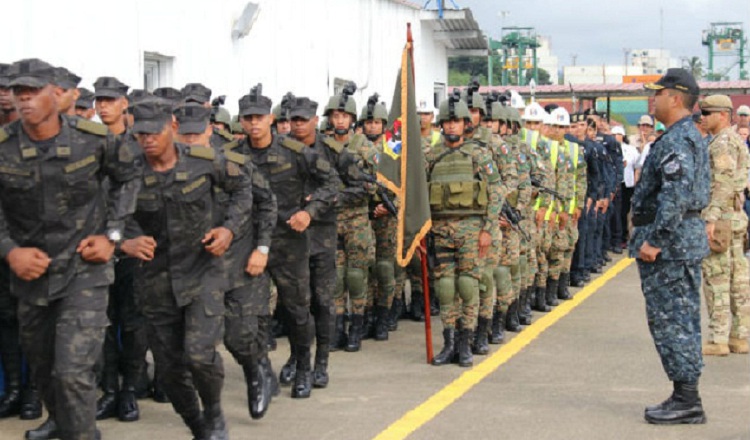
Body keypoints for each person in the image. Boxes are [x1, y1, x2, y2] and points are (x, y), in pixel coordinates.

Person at [0, 58, 140, 440]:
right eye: (18, 94)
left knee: (73, 372)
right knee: (46, 372)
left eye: (33, 93)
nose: (24, 100)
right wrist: (10, 250)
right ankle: (69, 427)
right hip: (31, 275)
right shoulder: (4, 147)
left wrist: (112, 236)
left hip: (84, 271)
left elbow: (128, 179)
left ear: (55, 94)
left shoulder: (93, 139)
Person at [123, 97, 255, 439]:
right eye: (141, 134)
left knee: (199, 355)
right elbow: (112, 214)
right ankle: (197, 424)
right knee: (168, 370)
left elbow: (242, 189)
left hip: (202, 272)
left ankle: (213, 411)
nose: (148, 139)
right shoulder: (127, 170)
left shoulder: (205, 161)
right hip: (155, 279)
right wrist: (127, 241)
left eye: (155, 131)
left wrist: (228, 228)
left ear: (173, 127)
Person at [631, 68, 710, 424]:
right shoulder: (683, 136)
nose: (653, 98)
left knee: (673, 321)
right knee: (682, 319)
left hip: (671, 246)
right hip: (680, 244)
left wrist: (654, 240)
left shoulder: (678, 140)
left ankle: (687, 400)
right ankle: (685, 395)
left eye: (659, 93)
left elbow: (675, 196)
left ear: (675, 98)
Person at [426, 95, 502, 368]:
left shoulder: (479, 154)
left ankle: (465, 344)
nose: (451, 127)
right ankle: (448, 343)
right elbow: (419, 196)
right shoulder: (431, 157)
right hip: (440, 230)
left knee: (468, 286)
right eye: (446, 122)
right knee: (446, 288)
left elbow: (496, 192)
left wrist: (487, 229)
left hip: (472, 229)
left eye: (456, 121)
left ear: (465, 124)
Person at [698, 95, 750, 356]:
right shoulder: (736, 140)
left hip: (722, 219)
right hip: (736, 217)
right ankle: (739, 336)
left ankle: (718, 338)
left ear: (722, 115)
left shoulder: (722, 143)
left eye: (707, 113)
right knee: (738, 279)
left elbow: (723, 181)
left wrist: (712, 216)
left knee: (717, 279)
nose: (703, 117)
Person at [612, 125, 639, 246]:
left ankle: (624, 235)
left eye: (617, 134)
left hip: (627, 184)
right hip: (614, 183)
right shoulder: (609, 148)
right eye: (613, 135)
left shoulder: (631, 149)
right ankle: (616, 237)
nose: (615, 137)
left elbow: (637, 166)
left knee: (624, 211)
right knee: (615, 211)